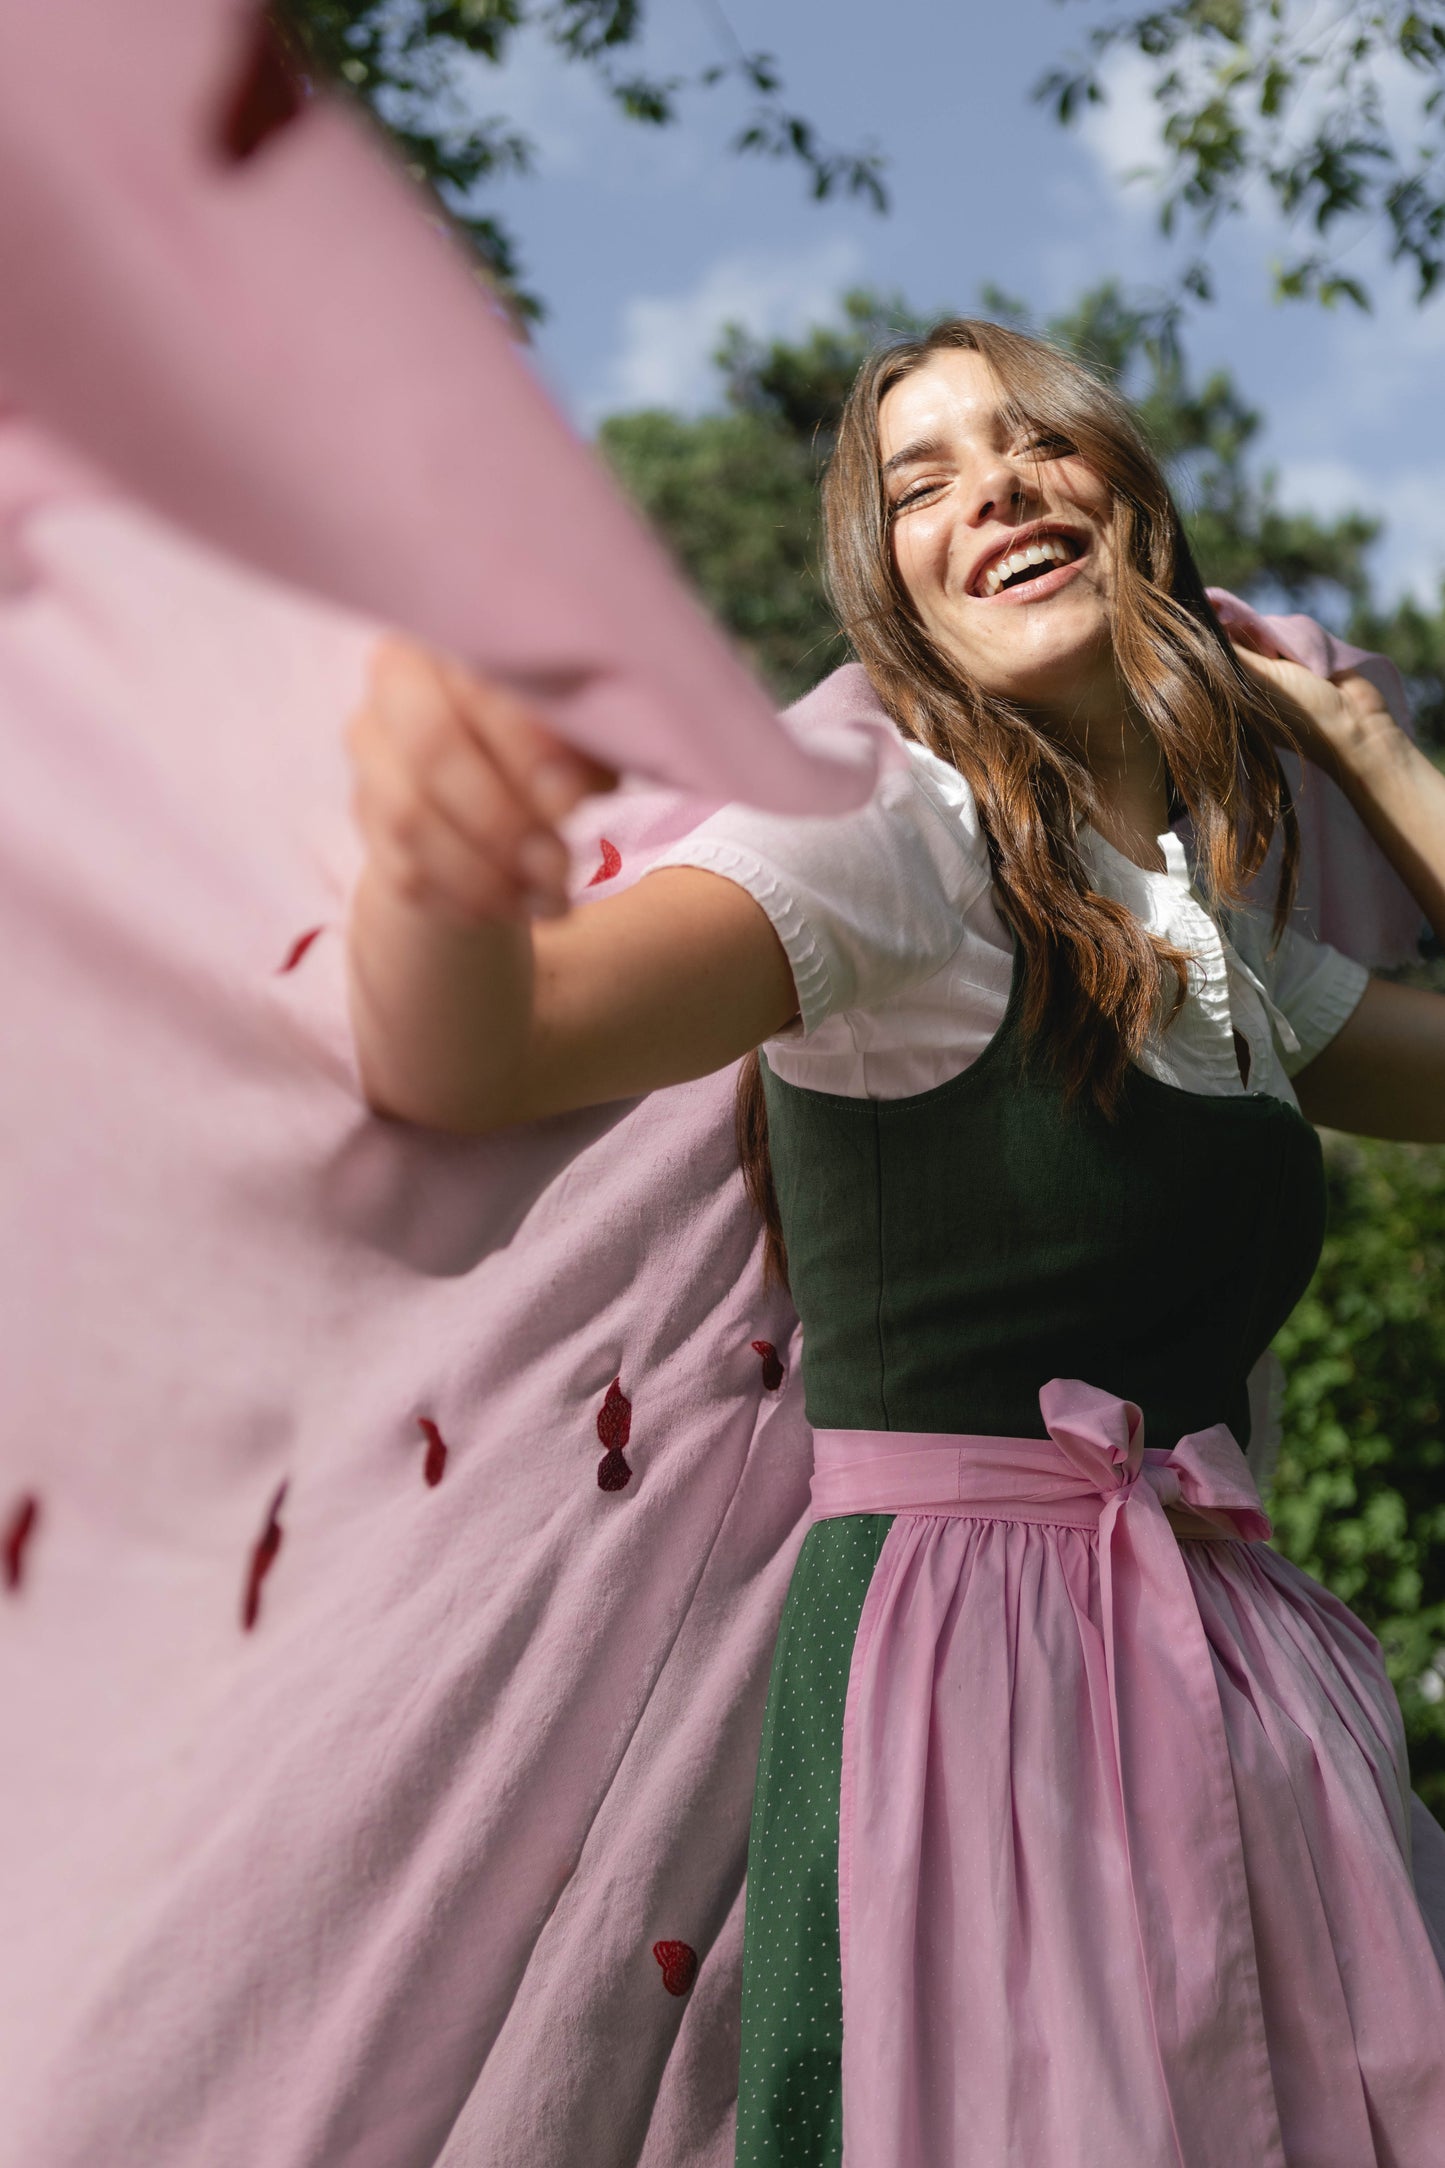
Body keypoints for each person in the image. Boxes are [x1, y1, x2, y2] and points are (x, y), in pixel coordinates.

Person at [344, 318, 1445, 2166]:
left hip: (1246, 1684)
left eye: (1033, 444)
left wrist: (1357, 742)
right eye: (921, 480)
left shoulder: (1227, 942)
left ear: (1134, 515)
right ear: (897, 595)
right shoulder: (888, 849)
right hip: (959, 1699)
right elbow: (479, 1054)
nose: (991, 487)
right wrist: (431, 846)